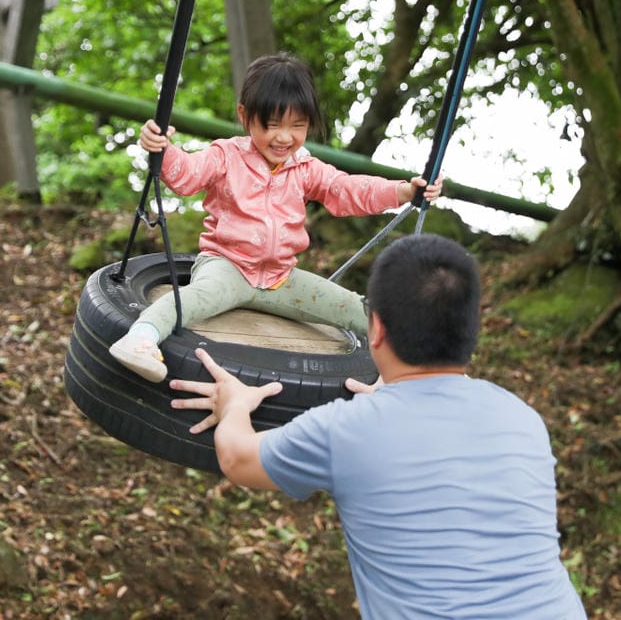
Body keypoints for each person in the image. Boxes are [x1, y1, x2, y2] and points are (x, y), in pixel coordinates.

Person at [168, 234, 587, 619]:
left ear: (377, 329)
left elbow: (238, 458)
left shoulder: (347, 430)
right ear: (471, 330)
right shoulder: (521, 418)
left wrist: (236, 404)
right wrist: (386, 413)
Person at [109, 52, 443, 382]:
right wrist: (163, 151)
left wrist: (403, 192)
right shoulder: (227, 156)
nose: (284, 138)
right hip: (227, 267)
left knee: (358, 308)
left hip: (282, 278)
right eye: (272, 126)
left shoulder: (306, 167)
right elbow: (188, 175)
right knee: (189, 302)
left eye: (297, 126)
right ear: (245, 116)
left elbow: (346, 190)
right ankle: (140, 339)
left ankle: (411, 365)